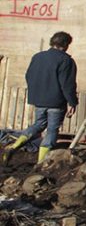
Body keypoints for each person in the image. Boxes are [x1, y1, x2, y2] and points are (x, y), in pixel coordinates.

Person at [3, 32, 79, 164]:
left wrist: (37, 93)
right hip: (56, 102)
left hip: (39, 101)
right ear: (66, 44)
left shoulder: (37, 57)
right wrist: (72, 102)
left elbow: (28, 76)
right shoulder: (66, 60)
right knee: (52, 130)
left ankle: (13, 146)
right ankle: (41, 162)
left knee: (38, 124)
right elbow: (67, 84)